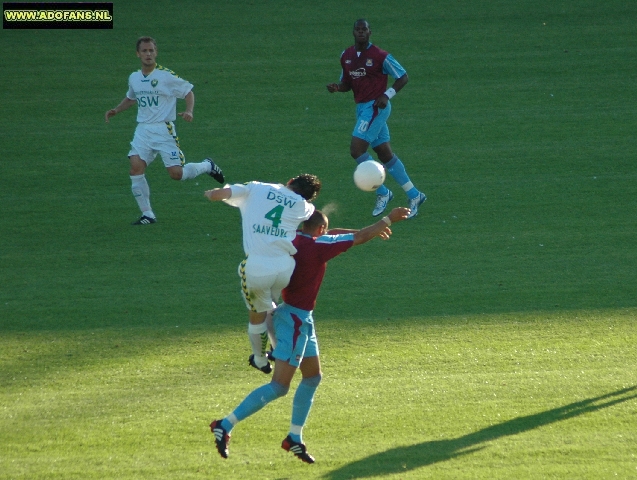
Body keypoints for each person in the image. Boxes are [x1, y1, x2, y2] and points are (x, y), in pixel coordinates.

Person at [210, 206, 411, 464]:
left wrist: (372, 230)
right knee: (279, 386)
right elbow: (357, 237)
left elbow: (339, 234)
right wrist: (387, 219)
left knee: (313, 376)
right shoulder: (317, 248)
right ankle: (224, 424)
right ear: (320, 231)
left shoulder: (295, 238)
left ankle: (294, 438)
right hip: (293, 320)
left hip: (297, 317)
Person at [204, 174, 321, 374]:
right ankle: (278, 349)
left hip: (257, 268)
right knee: (268, 307)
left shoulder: (256, 188)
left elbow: (218, 195)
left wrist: (210, 193)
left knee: (256, 315)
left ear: (291, 180)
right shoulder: (304, 206)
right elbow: (311, 215)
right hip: (284, 268)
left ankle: (260, 359)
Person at [105, 36, 225, 225]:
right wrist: (116, 110)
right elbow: (131, 97)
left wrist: (189, 110)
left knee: (176, 174)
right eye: (144, 51)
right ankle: (147, 214)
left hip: (163, 130)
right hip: (142, 130)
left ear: (156, 52)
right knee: (136, 168)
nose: (148, 54)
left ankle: (207, 166)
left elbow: (188, 91)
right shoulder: (134, 77)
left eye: (151, 50)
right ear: (138, 54)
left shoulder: (166, 76)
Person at [327, 19, 426, 219]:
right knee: (384, 153)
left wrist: (387, 94)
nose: (361, 32)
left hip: (376, 107)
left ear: (370, 33)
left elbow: (403, 76)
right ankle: (415, 195)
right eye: (358, 29)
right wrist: (338, 88)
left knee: (357, 150)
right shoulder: (346, 56)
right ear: (353, 32)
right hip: (362, 108)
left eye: (364, 30)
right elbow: (347, 82)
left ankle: (382, 192)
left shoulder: (380, 56)